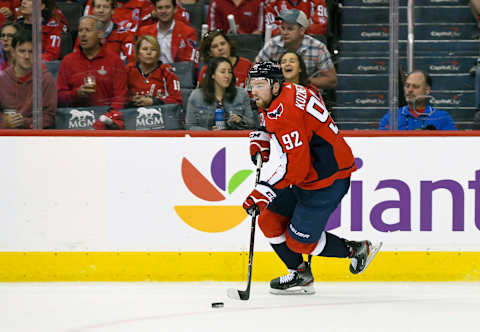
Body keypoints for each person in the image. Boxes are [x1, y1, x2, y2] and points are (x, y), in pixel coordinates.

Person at [243, 62, 382, 294]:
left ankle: (357, 249)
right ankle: (300, 274)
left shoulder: (284, 111)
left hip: (326, 179)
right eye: (251, 85)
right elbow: (277, 120)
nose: (254, 91)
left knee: (300, 242)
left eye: (260, 85)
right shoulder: (286, 92)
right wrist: (263, 134)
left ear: (276, 85)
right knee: (268, 219)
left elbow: (295, 168)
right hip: (310, 172)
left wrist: (265, 190)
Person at [57, 15, 128, 129]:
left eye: (88, 30)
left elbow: (120, 98)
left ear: (100, 34)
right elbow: (59, 97)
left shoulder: (115, 61)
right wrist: (76, 94)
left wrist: (106, 119)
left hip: (106, 124)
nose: (83, 35)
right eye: (80, 30)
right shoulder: (68, 61)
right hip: (75, 125)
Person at [255, 8, 336, 91]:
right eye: (282, 28)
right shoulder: (273, 45)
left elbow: (332, 81)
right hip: (278, 91)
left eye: (290, 29)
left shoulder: (318, 48)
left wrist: (304, 80)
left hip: (308, 92)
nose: (284, 33)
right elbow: (255, 70)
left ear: (302, 30)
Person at [0, 31, 57, 129]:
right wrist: (4, 122)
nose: (27, 56)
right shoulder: (2, 79)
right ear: (13, 52)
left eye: (31, 52)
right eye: (22, 51)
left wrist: (25, 122)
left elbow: (49, 117)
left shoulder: (46, 79)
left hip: (34, 137)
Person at [185, 56, 257, 130]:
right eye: (222, 72)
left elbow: (252, 123)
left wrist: (240, 120)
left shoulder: (241, 94)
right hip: (206, 140)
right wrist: (209, 133)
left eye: (230, 72)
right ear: (213, 75)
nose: (227, 76)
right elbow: (190, 126)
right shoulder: (196, 96)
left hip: (234, 139)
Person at [379, 70, 457, 130]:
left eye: (415, 86)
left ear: (427, 90)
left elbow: (451, 147)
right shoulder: (391, 117)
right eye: (407, 86)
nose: (409, 90)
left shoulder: (442, 118)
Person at [126, 35, 183, 106]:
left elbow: (177, 100)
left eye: (153, 49)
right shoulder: (129, 70)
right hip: (132, 112)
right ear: (138, 53)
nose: (149, 53)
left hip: (161, 113)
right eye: (144, 49)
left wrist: (153, 102)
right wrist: (131, 100)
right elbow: (118, 97)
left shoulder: (167, 71)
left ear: (158, 53)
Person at [137, 0, 198, 66]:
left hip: (178, 73)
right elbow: (139, 60)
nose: (163, 11)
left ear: (175, 9)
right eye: (160, 8)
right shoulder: (144, 32)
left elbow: (191, 64)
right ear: (155, 11)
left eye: (167, 7)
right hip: (151, 73)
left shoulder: (188, 32)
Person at [264, 0, 328, 37]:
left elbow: (320, 28)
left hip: (308, 40)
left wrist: (287, 28)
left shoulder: (317, 1)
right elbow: (271, 28)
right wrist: (303, 27)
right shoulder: (273, 3)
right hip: (282, 41)